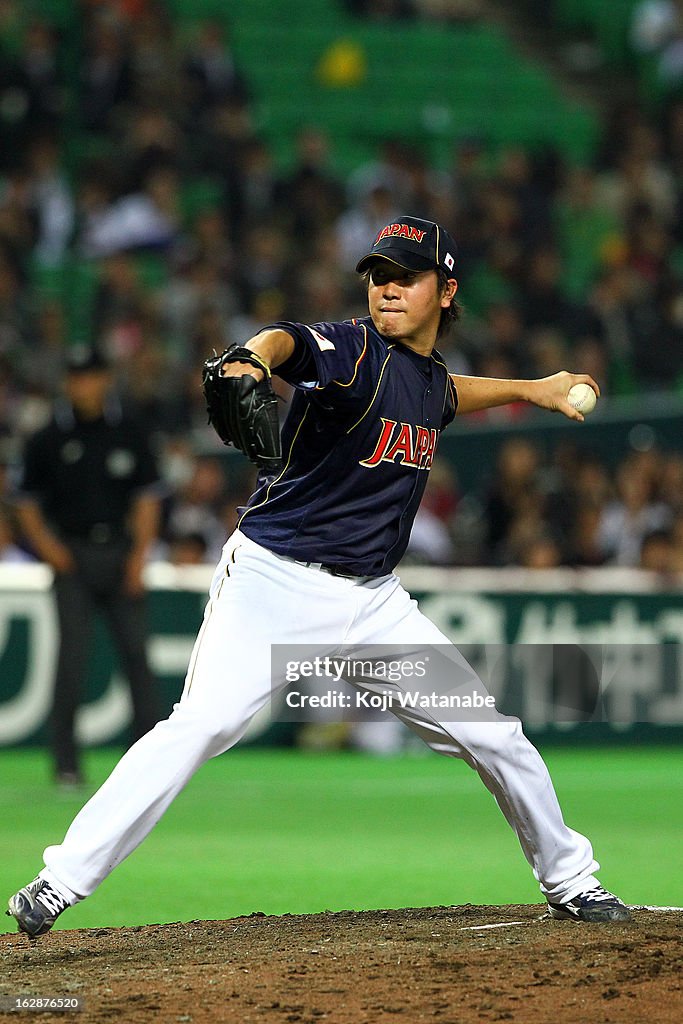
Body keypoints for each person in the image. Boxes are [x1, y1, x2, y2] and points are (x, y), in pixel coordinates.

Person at [6, 217, 630, 939]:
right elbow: (287, 341)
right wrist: (248, 356)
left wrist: (533, 388)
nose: (387, 288)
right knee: (199, 726)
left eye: (406, 276)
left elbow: (450, 393)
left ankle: (571, 880)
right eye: (377, 275)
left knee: (493, 736)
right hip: (273, 584)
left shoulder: (425, 383)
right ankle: (60, 881)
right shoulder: (352, 350)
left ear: (446, 291)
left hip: (373, 604)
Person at [12, 345, 163, 788]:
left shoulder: (130, 431)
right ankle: (66, 764)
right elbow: (25, 502)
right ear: (68, 383)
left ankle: (149, 763)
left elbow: (147, 498)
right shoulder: (48, 437)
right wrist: (50, 549)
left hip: (120, 552)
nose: (85, 385)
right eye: (77, 378)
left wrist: (139, 556)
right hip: (72, 557)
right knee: (71, 662)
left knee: (136, 657)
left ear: (105, 380)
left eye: (92, 376)